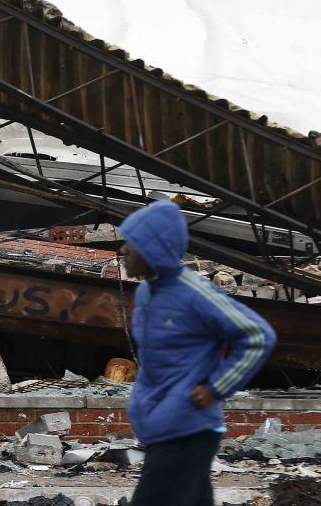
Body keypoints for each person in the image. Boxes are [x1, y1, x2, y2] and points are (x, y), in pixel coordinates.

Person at [117, 200, 277, 506]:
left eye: (133, 243)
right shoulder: (147, 292)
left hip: (187, 429)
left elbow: (257, 336)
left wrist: (218, 387)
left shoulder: (194, 293)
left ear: (155, 249)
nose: (123, 250)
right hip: (161, 426)